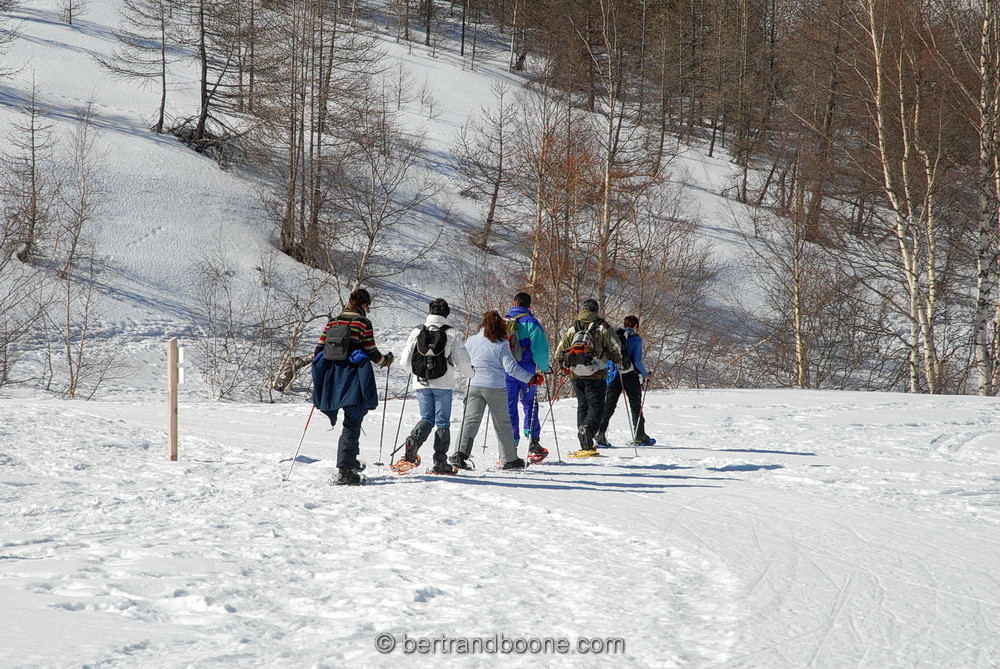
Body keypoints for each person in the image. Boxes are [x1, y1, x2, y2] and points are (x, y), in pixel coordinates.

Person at [312, 288, 394, 486]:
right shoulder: (363, 322)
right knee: (352, 423)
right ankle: (346, 470)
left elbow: (318, 349)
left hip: (332, 377)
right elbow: (372, 352)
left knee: (351, 424)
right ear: (365, 305)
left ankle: (350, 461)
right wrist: (387, 361)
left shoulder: (333, 321)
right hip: (353, 377)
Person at [450, 311, 543, 471]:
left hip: (473, 385)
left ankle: (459, 454)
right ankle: (510, 459)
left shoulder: (472, 340)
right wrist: (531, 378)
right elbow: (512, 368)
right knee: (503, 424)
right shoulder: (501, 343)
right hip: (495, 387)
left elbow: (463, 360)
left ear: (482, 324)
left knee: (469, 422)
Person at [400, 298, 475, 473]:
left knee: (427, 417)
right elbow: (462, 361)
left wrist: (416, 372)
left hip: (421, 382)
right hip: (443, 383)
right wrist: (471, 374)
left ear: (430, 311)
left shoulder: (417, 331)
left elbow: (405, 360)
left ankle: (414, 441)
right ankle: (440, 461)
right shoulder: (451, 333)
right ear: (446, 314)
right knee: (442, 422)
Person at [554, 298, 622, 453]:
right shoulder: (602, 326)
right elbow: (616, 347)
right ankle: (587, 430)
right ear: (596, 310)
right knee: (597, 407)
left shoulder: (573, 327)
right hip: (596, 373)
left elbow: (560, 351)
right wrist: (617, 360)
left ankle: (585, 442)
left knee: (583, 406)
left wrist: (563, 366)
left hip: (575, 374)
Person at [504, 292, 551, 461]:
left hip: (506, 371)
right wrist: (545, 367)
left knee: (509, 406)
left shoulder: (503, 322)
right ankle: (533, 442)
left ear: (514, 303)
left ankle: (510, 445)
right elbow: (540, 351)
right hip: (527, 371)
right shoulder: (532, 323)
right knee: (530, 404)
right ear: (529, 306)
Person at [596, 315, 653, 446]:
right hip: (630, 375)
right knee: (635, 404)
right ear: (636, 326)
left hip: (614, 374)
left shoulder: (615, 336)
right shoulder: (636, 338)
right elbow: (637, 361)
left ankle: (600, 432)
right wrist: (645, 375)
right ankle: (639, 435)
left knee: (609, 405)